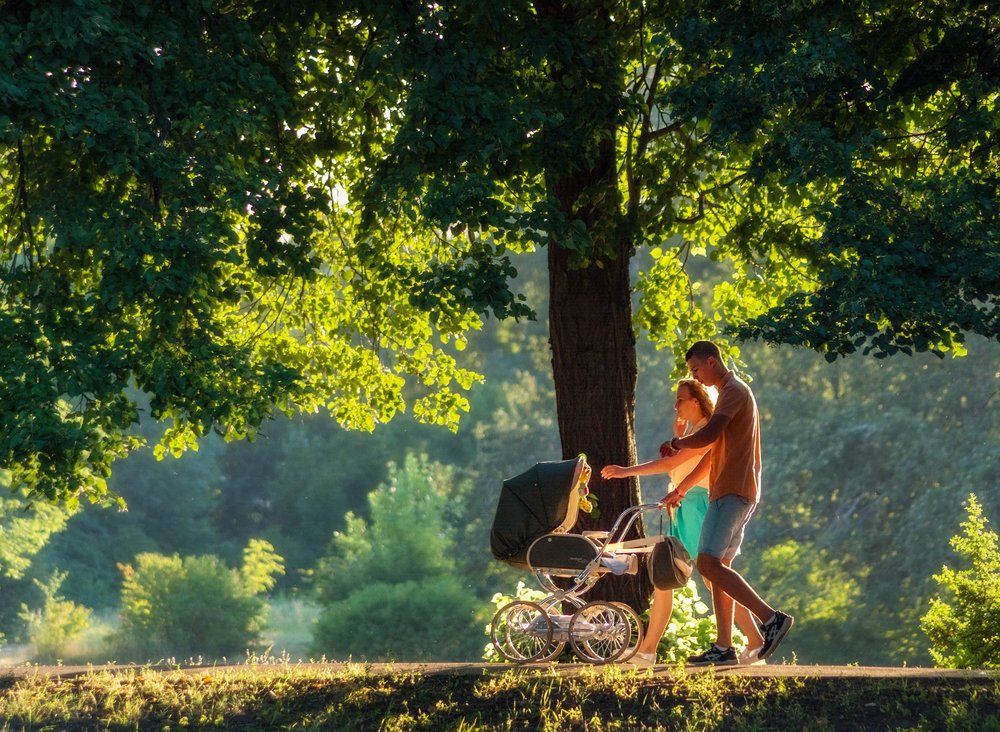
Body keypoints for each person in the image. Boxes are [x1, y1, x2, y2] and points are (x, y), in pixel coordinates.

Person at [601, 379, 765, 667]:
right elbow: (679, 466)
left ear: (696, 401)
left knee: (712, 576)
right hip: (684, 507)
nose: (676, 405)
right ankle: (648, 650)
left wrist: (625, 471)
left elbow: (669, 465)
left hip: (699, 505)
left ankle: (754, 639)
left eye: (680, 399)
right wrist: (679, 435)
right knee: (668, 577)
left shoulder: (706, 431)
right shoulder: (692, 431)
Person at [660, 340, 793, 666]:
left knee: (707, 563)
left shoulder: (734, 392)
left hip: (734, 489)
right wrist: (682, 488)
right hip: (726, 489)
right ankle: (723, 648)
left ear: (711, 361)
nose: (696, 376)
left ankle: (770, 618)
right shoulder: (727, 396)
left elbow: (707, 436)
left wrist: (676, 442)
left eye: (695, 370)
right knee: (718, 569)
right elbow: (710, 455)